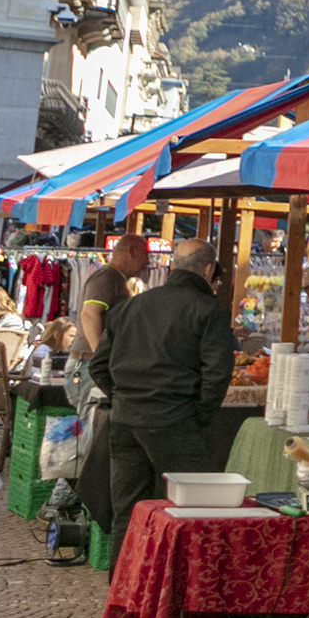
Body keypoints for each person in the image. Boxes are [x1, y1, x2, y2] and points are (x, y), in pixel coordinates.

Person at [89, 228, 235, 560]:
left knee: (127, 512)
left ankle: (122, 595)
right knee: (191, 510)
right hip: (174, 420)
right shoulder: (207, 310)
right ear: (208, 270)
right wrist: (198, 415)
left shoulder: (132, 306)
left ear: (173, 267)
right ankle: (182, 600)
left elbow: (98, 366)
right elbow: (217, 373)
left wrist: (125, 396)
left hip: (126, 419)